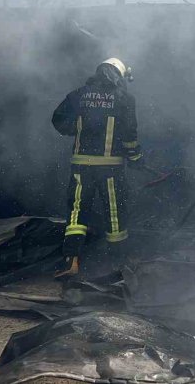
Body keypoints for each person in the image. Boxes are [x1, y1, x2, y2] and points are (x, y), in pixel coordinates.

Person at [51, 58, 142, 278]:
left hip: (81, 166)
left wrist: (77, 129)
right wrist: (135, 157)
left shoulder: (79, 94)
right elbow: (130, 134)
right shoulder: (124, 99)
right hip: (110, 168)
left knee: (76, 214)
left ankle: (70, 261)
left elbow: (57, 119)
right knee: (114, 215)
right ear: (119, 76)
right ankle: (118, 264)